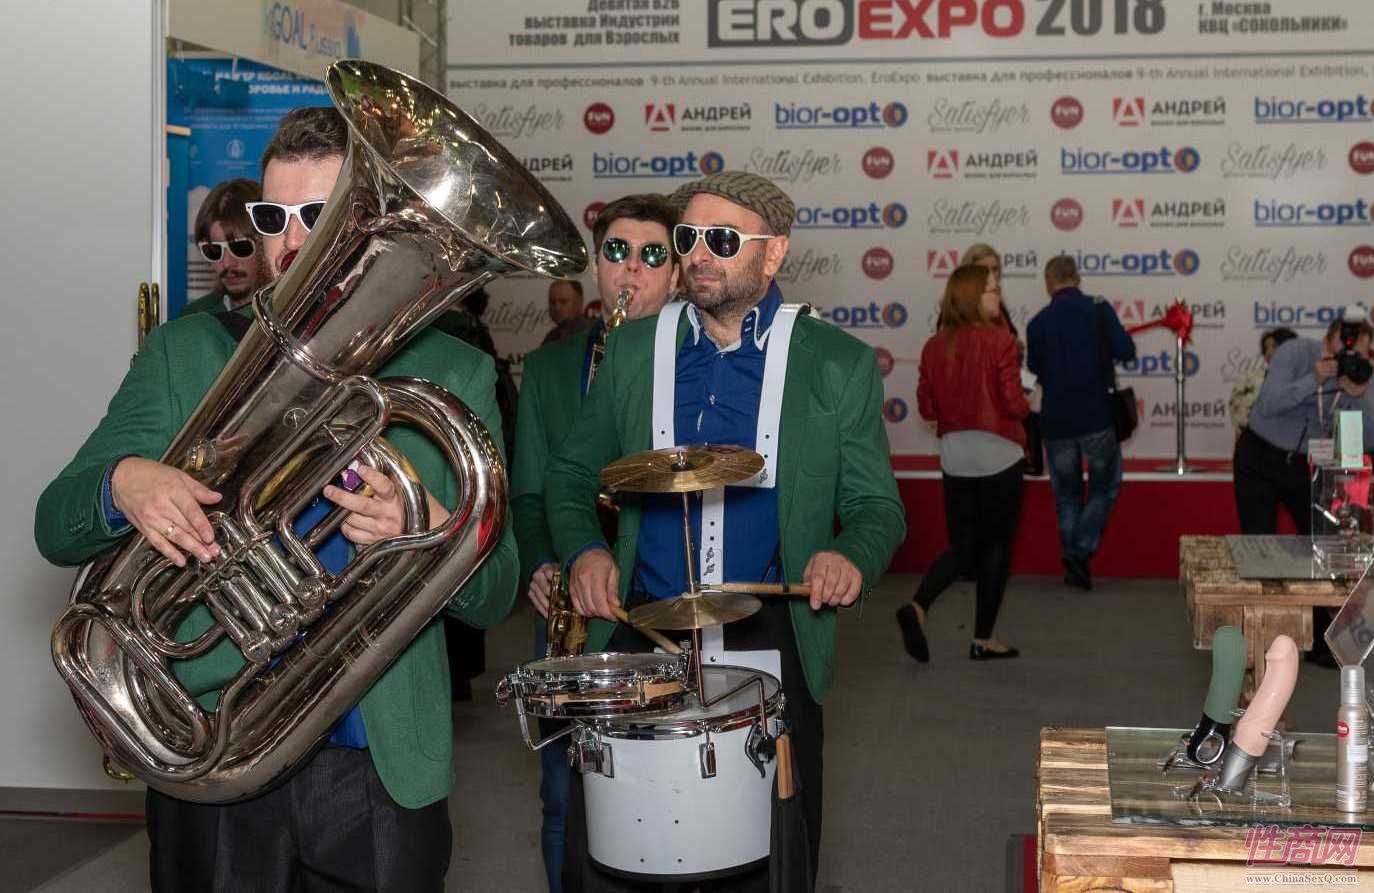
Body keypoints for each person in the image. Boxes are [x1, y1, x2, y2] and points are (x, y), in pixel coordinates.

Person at [34, 106, 519, 892]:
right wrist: (123, 482)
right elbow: (55, 523)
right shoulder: (186, 353)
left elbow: (497, 593)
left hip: (379, 766)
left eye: (319, 216)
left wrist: (432, 527)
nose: (292, 241)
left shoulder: (454, 372)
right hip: (212, 754)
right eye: (272, 217)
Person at [545, 171, 906, 890]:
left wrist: (849, 556)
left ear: (774, 253)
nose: (698, 254)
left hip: (773, 632)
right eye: (688, 238)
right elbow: (569, 475)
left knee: (770, 861)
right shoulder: (633, 350)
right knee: (616, 855)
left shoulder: (836, 363)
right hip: (643, 627)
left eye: (722, 239)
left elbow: (877, 507)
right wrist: (585, 551)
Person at [511, 192, 680, 893]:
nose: (630, 270)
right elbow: (529, 493)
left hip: (668, 609)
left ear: (676, 274)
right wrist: (542, 561)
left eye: (651, 255)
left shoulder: (696, 364)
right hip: (573, 615)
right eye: (617, 252)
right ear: (595, 265)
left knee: (673, 799)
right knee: (562, 795)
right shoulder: (549, 369)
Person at [897, 265, 1029, 664]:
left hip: (955, 455)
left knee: (962, 548)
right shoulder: (1001, 341)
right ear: (973, 296)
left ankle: (918, 605)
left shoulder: (933, 346)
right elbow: (1013, 404)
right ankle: (982, 639)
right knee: (996, 549)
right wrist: (1029, 403)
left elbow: (926, 408)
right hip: (1000, 453)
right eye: (992, 290)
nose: (998, 296)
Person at [1027, 255, 1136, 591]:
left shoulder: (1037, 323)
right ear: (1077, 278)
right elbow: (1126, 350)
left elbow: (1035, 369)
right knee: (1105, 487)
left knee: (1066, 496)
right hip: (1097, 417)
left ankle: (1074, 557)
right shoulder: (1099, 310)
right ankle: (1080, 551)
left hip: (1056, 422)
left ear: (1049, 283)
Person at [961, 243, 1043, 475]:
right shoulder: (959, 310)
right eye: (984, 269)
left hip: (1006, 397)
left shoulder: (999, 305)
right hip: (979, 409)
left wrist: (1014, 346)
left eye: (996, 269)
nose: (992, 274)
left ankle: (1029, 458)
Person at [181, 177, 268, 315]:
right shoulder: (193, 317)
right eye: (214, 251)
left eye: (240, 248)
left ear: (266, 244)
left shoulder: (290, 313)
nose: (227, 263)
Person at [1229, 327, 1299, 437]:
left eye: (1275, 346)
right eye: (1266, 348)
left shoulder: (1305, 380)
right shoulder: (1250, 381)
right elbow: (1239, 422)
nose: (1269, 352)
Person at [542, 279, 590, 344]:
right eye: (552, 302)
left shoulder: (590, 335)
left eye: (563, 302)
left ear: (579, 302)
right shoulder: (551, 337)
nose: (557, 308)